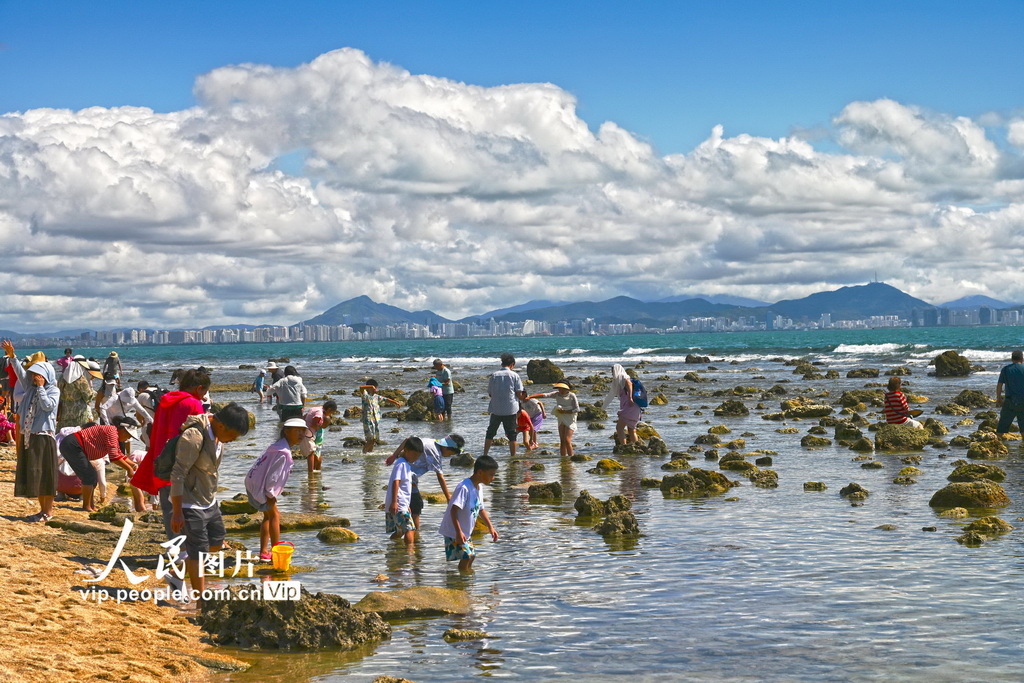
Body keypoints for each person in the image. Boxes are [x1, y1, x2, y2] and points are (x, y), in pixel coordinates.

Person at [169, 402, 250, 602]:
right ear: (221, 426)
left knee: (216, 541)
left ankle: (177, 565)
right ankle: (200, 601)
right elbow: (177, 474)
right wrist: (177, 511)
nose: (234, 440)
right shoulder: (194, 437)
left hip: (209, 500)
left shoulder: (217, 436)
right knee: (198, 553)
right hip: (190, 502)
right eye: (233, 435)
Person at [131, 368, 210, 516]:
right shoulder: (193, 404)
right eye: (204, 393)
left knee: (168, 510)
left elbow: (155, 432)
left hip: (162, 461)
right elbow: (198, 438)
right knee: (186, 512)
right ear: (199, 388)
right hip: (182, 465)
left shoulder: (165, 401)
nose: (204, 397)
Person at [2, 340, 59, 522]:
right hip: (29, 435)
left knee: (45, 476)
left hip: (43, 436)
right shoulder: (31, 388)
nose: (35, 378)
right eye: (34, 375)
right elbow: (20, 373)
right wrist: (13, 356)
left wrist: (42, 388)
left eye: (38, 375)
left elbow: (48, 406)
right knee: (36, 474)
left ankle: (48, 512)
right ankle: (42, 511)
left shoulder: (53, 390)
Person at [245, 417, 305, 561]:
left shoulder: (277, 446)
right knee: (275, 516)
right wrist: (270, 494)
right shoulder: (284, 453)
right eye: (297, 431)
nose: (301, 434)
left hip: (253, 482)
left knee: (267, 516)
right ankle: (276, 552)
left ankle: (264, 552)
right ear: (286, 431)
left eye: (303, 431)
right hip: (262, 487)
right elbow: (273, 475)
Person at [58, 416, 139, 512]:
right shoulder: (112, 432)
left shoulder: (113, 433)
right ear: (123, 430)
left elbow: (119, 454)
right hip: (73, 445)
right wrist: (129, 469)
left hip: (74, 446)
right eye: (128, 435)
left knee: (92, 476)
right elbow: (114, 457)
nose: (128, 438)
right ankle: (86, 506)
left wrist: (133, 464)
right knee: (89, 476)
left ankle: (90, 505)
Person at [385, 433, 463, 531]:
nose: (448, 456)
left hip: (406, 476)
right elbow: (440, 476)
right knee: (417, 505)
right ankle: (415, 534)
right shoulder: (435, 452)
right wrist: (448, 497)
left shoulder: (430, 441)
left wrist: (394, 455)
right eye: (450, 454)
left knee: (413, 505)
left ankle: (406, 531)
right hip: (408, 478)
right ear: (447, 448)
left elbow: (408, 439)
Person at [439, 454, 499, 573]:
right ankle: (461, 581)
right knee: (468, 556)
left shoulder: (478, 488)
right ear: (480, 472)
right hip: (454, 530)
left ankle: (464, 581)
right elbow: (453, 510)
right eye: (491, 474)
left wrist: (490, 527)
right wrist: (458, 532)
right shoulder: (464, 487)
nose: (493, 478)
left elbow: (481, 509)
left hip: (464, 531)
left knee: (471, 556)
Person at [483, 353, 525, 459]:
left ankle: (485, 454)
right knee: (512, 434)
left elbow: (490, 393)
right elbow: (519, 394)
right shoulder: (515, 375)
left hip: (496, 409)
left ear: (502, 363)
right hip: (510, 409)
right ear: (512, 364)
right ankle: (513, 456)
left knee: (490, 432)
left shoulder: (494, 375)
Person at [385, 436, 422, 544]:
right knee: (410, 529)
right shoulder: (401, 464)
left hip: (402, 504)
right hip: (398, 504)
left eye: (418, 456)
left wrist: (407, 506)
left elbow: (404, 487)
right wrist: (394, 502)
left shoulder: (405, 464)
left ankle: (391, 547)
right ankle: (410, 554)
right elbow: (396, 482)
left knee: (400, 531)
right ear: (406, 451)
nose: (415, 458)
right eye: (414, 455)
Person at [57, 355, 100, 429]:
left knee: (64, 434)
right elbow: (88, 396)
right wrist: (97, 394)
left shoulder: (62, 377)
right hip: (80, 413)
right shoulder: (80, 379)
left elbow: (59, 393)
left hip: (65, 412)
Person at [603, 364, 641, 445]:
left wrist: (630, 398)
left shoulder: (624, 377)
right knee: (631, 429)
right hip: (633, 407)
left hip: (630, 406)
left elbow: (629, 384)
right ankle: (635, 446)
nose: (613, 373)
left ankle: (624, 446)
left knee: (619, 428)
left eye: (613, 371)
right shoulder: (620, 380)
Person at [361, 379, 403, 453]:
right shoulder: (365, 395)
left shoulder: (376, 396)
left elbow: (385, 399)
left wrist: (395, 402)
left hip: (375, 420)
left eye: (375, 388)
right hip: (367, 420)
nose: (375, 389)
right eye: (374, 388)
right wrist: (371, 386)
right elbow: (361, 387)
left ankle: (370, 453)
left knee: (374, 439)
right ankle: (364, 453)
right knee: (369, 439)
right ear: (369, 388)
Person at [539, 382, 580, 458]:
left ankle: (571, 457)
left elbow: (577, 409)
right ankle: (563, 459)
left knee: (567, 440)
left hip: (570, 418)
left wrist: (565, 411)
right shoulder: (557, 394)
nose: (560, 390)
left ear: (567, 389)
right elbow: (545, 395)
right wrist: (531, 397)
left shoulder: (572, 395)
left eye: (562, 389)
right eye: (559, 389)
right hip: (561, 417)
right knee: (562, 441)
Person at [300, 399, 338, 473]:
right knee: (311, 453)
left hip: (306, 432)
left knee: (312, 452)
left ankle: (314, 470)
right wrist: (317, 427)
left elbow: (304, 417)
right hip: (309, 433)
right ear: (329, 409)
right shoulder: (319, 413)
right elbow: (315, 421)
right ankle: (311, 472)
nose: (331, 414)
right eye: (331, 412)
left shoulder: (315, 408)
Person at [996, 350, 1024, 437]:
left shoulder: (1005, 369)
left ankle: (996, 446)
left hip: (1009, 401)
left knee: (1001, 428)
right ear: (1022, 359)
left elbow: (999, 386)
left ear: (1012, 359)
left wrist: (999, 399)